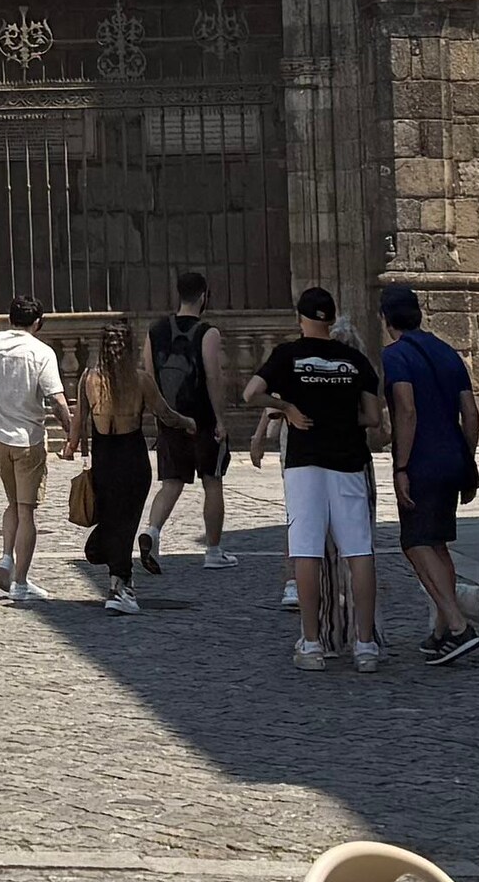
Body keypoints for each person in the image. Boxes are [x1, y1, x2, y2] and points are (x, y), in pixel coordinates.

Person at [249, 286, 389, 670]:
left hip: (305, 462)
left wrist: (287, 407)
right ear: (331, 319)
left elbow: (251, 393)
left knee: (307, 550)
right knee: (359, 551)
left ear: (301, 318)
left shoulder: (288, 355)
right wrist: (339, 418)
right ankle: (365, 646)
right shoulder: (355, 359)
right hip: (348, 461)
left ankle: (311, 643)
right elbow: (372, 418)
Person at [377, 286, 479, 664]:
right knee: (437, 543)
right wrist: (467, 459)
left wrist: (401, 467)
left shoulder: (395, 355)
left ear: (386, 319)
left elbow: (406, 409)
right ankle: (441, 631)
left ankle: (458, 625)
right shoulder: (447, 351)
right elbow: (471, 413)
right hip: (453, 457)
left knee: (416, 543)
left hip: (421, 461)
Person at [0, 301, 66, 601]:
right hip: (28, 440)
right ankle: (22, 583)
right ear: (38, 322)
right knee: (27, 511)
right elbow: (57, 400)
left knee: (12, 503)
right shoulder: (41, 352)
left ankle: (6, 557)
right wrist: (72, 431)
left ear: (9, 318)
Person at [143, 273, 232, 567]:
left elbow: (149, 376)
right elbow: (213, 377)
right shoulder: (208, 333)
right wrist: (220, 419)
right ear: (204, 296)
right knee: (212, 481)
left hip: (170, 418)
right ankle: (213, 552)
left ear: (178, 294)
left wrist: (161, 413)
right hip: (203, 418)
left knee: (171, 482)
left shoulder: (155, 331)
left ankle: (152, 532)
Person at [75, 315, 157, 610]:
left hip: (104, 460)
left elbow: (78, 421)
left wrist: (70, 447)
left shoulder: (89, 379)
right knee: (126, 522)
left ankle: (120, 583)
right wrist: (188, 423)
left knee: (114, 519)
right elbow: (164, 413)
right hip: (132, 459)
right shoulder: (140, 380)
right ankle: (118, 588)